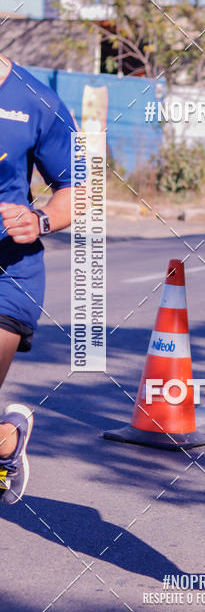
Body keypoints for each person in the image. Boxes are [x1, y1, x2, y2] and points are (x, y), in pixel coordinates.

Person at [0, 54, 74, 504]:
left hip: (9, 271)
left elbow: (81, 186)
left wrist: (41, 220)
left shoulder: (36, 101)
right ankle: (8, 439)